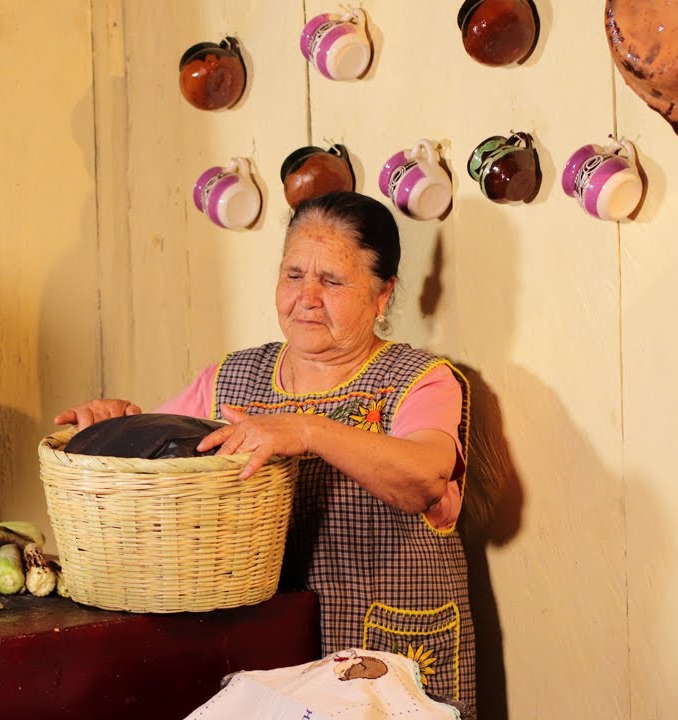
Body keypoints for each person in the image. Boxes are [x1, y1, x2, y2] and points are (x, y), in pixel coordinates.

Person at [55, 191, 474, 710]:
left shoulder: (418, 380)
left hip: (381, 656)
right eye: (294, 274)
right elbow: (153, 469)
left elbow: (425, 477)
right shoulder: (230, 378)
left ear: (382, 294)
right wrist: (114, 429)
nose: (307, 297)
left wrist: (308, 432)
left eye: (332, 281)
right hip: (266, 658)